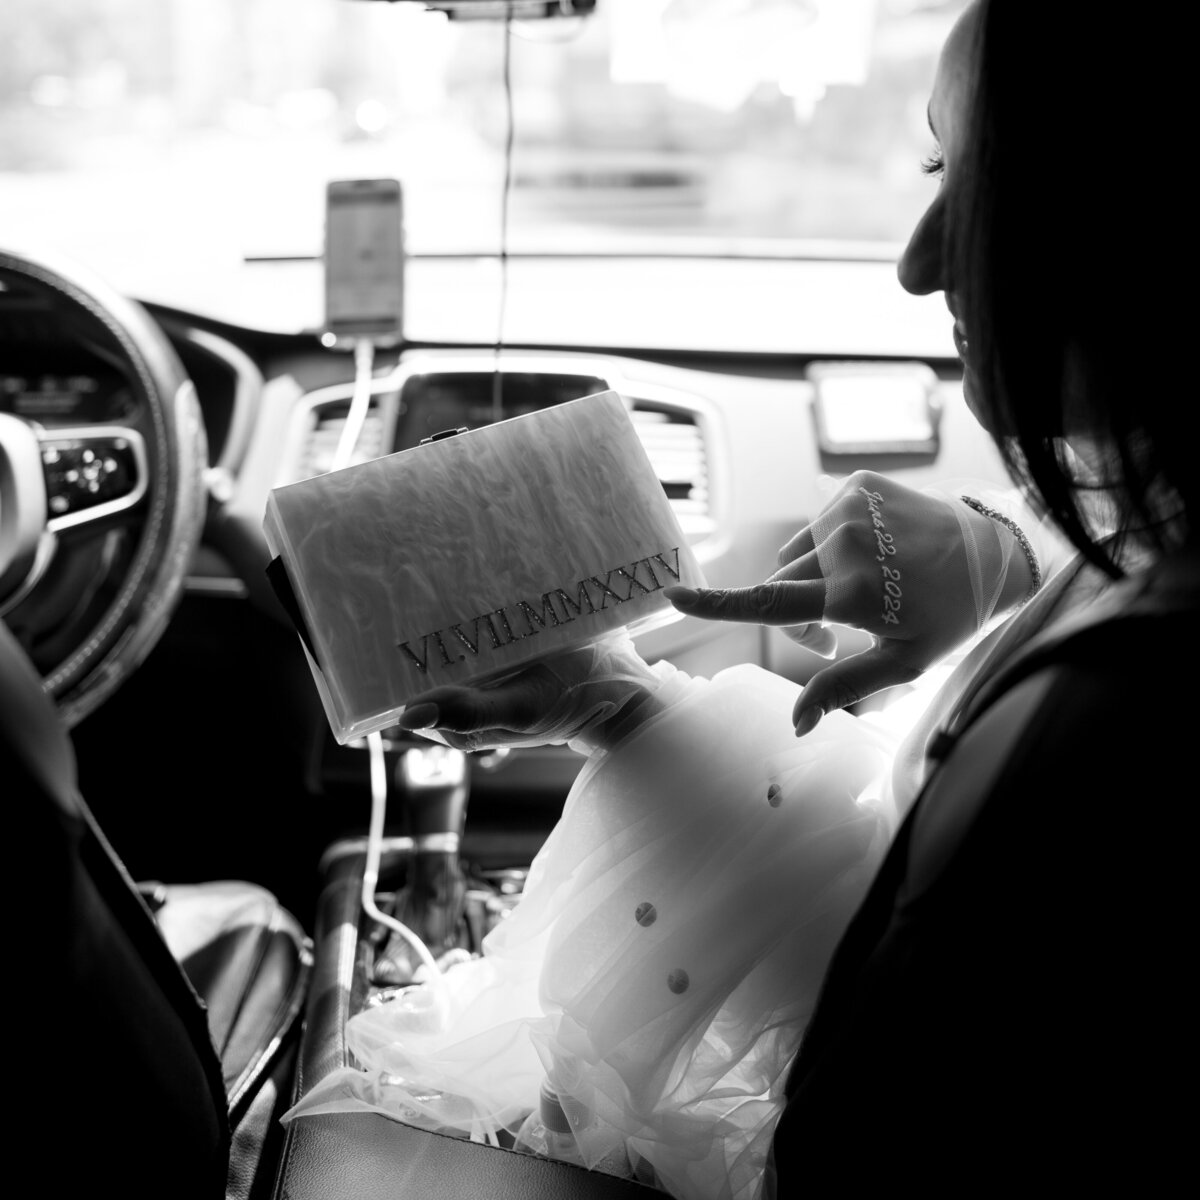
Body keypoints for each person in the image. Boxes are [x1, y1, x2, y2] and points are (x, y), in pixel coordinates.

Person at [288, 0, 1195, 1194]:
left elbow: (847, 1079)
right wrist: (1021, 560)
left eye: (978, 183)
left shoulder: (1120, 701)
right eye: (933, 167)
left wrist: (627, 717)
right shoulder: (1146, 570)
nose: (921, 260)